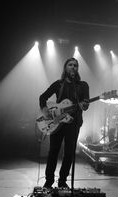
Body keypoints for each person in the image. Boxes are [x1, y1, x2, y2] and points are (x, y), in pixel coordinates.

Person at [39, 58, 90, 189]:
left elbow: (85, 105)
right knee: (53, 151)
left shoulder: (83, 85)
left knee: (69, 153)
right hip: (57, 122)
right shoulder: (58, 84)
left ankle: (62, 181)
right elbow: (42, 97)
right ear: (65, 68)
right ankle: (49, 181)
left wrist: (84, 105)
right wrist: (45, 111)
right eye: (70, 65)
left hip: (73, 123)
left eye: (75, 66)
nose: (73, 67)